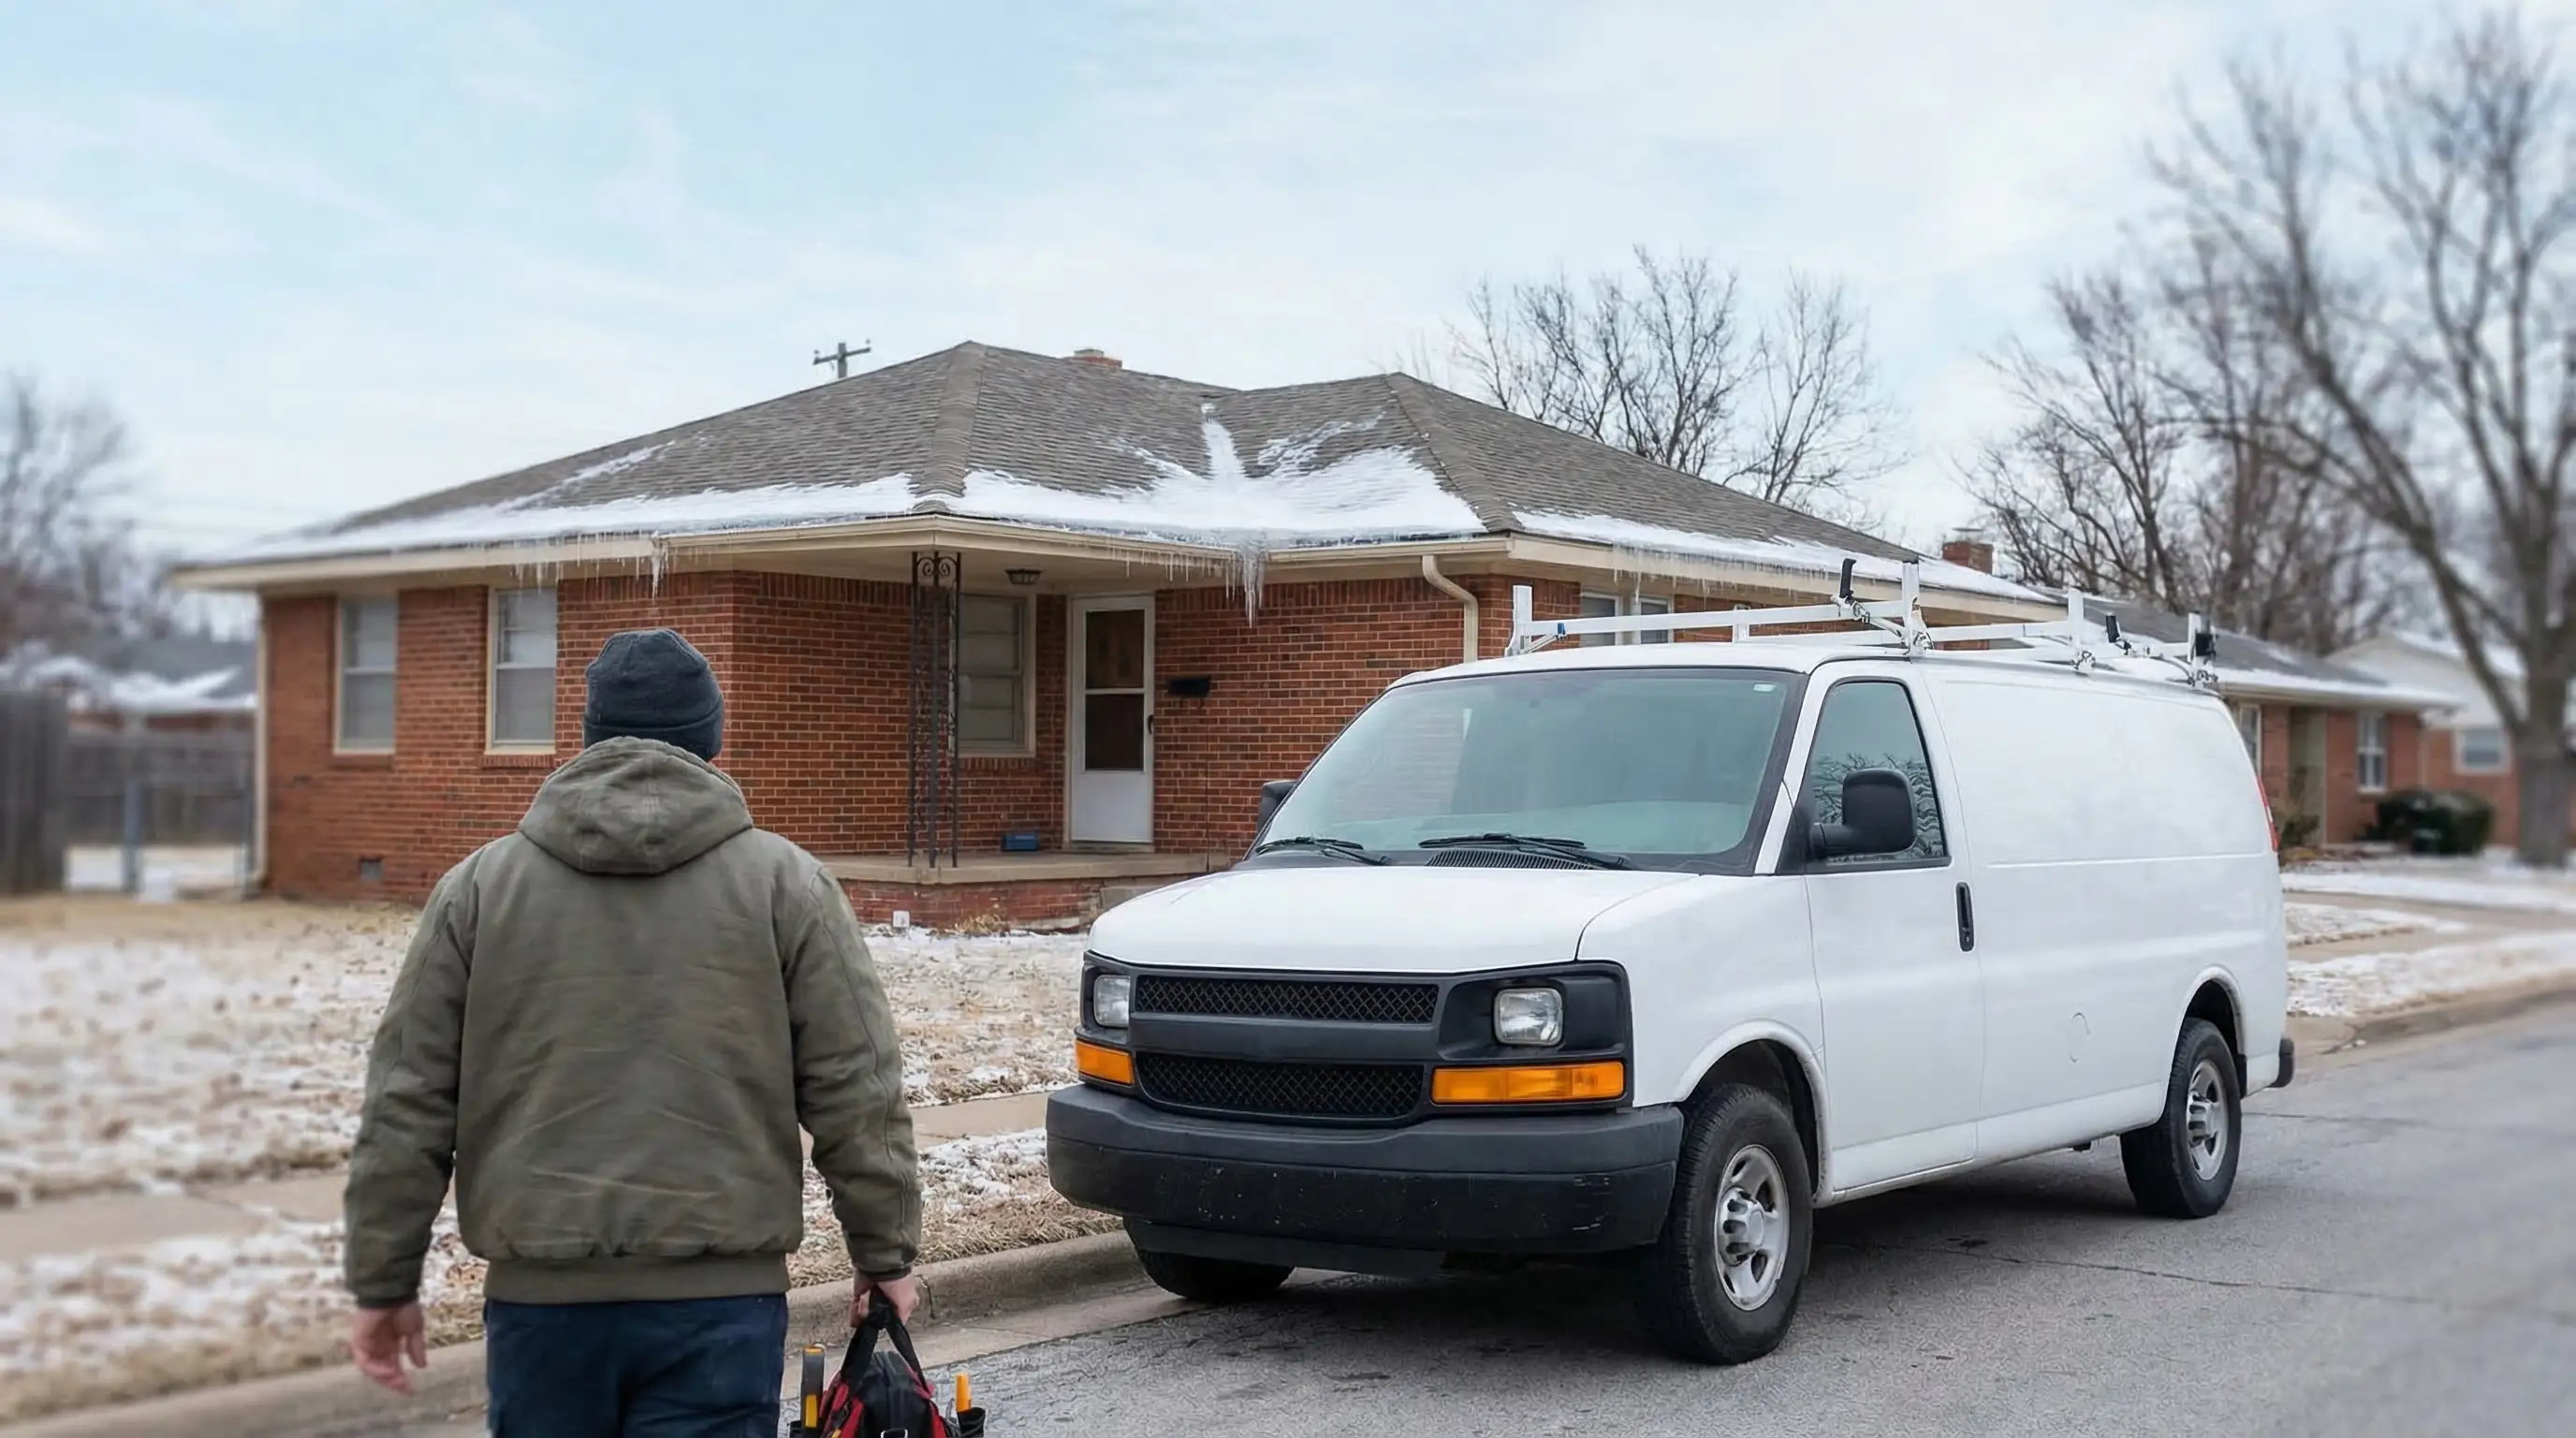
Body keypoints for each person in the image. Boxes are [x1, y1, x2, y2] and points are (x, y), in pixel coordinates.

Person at [342, 626, 920, 1433]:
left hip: (542, 1309)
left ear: (589, 736)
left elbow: (407, 1101)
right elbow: (856, 1087)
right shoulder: (788, 887)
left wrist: (383, 1280)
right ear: (710, 740)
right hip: (721, 1307)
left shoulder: (477, 891)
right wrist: (884, 1253)